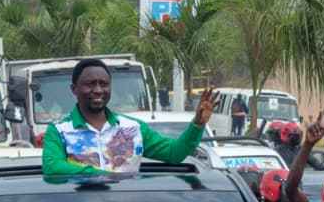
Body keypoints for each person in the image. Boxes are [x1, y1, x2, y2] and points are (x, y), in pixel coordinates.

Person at [41, 60, 213, 180]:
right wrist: (99, 174)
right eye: (90, 84)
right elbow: (53, 167)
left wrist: (197, 125)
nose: (98, 90)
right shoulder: (59, 131)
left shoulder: (133, 128)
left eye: (104, 84)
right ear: (74, 89)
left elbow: (174, 153)